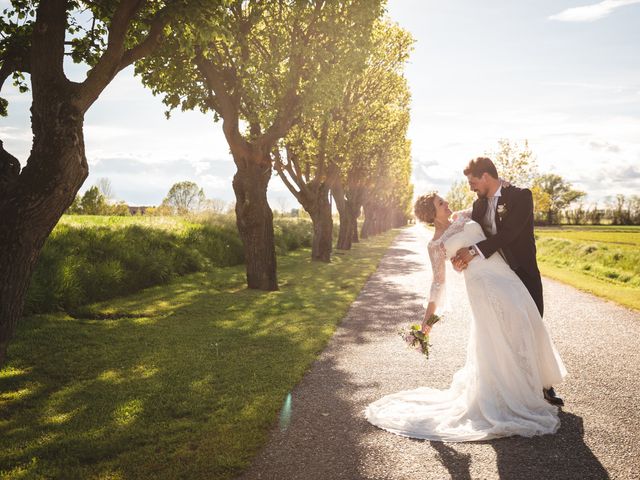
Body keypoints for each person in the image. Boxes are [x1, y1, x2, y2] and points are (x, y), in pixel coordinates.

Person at [363, 160, 567, 442]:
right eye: (441, 204)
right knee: (496, 340)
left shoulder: (464, 216)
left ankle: (535, 388)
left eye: (445, 202)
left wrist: (503, 184)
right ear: (432, 215)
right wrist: (426, 323)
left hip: (508, 277)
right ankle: (511, 396)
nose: (448, 205)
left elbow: (498, 215)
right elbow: (437, 284)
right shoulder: (436, 245)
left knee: (525, 327)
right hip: (483, 288)